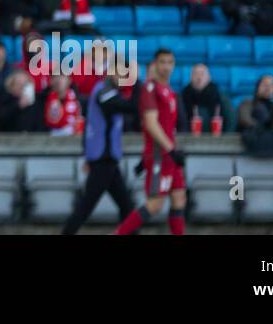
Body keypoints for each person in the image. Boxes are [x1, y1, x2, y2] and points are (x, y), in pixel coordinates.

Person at [61, 46, 137, 234]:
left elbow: (89, 126)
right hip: (103, 158)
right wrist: (142, 87)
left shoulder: (105, 90)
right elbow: (129, 107)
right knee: (87, 206)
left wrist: (87, 154)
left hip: (105, 157)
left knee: (125, 205)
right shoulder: (105, 92)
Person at [115, 48, 186, 235]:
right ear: (154, 64)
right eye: (162, 62)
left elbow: (166, 125)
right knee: (155, 204)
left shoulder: (169, 92)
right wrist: (170, 150)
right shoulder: (149, 89)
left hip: (170, 154)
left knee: (179, 198)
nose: (166, 67)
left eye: (170, 62)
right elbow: (151, 123)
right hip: (160, 155)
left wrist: (173, 150)